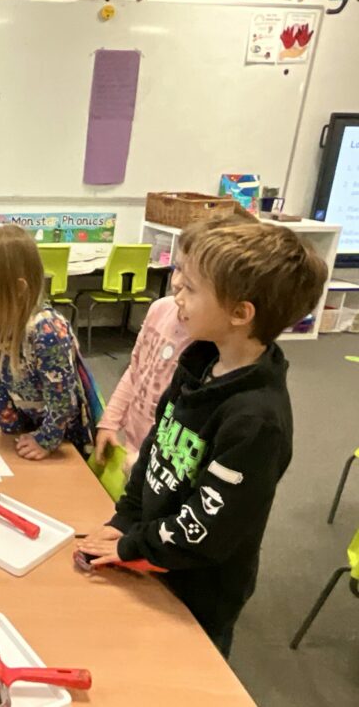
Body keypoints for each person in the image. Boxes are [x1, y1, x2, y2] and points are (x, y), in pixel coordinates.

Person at [78, 221, 328, 657]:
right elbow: (157, 451)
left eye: (191, 287)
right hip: (150, 556)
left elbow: (206, 531)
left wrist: (131, 545)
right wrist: (123, 521)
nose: (176, 291)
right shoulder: (198, 363)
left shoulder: (256, 421)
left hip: (197, 591)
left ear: (240, 313)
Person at [94, 212, 258, 470]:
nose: (177, 283)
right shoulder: (160, 310)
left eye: (191, 284)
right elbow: (135, 370)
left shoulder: (209, 343)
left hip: (167, 461)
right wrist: (110, 420)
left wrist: (150, 462)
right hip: (134, 445)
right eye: (177, 268)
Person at [0, 225, 93, 459]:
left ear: (18, 289)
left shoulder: (46, 332)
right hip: (26, 428)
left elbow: (62, 401)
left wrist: (45, 440)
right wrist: (10, 425)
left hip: (61, 437)